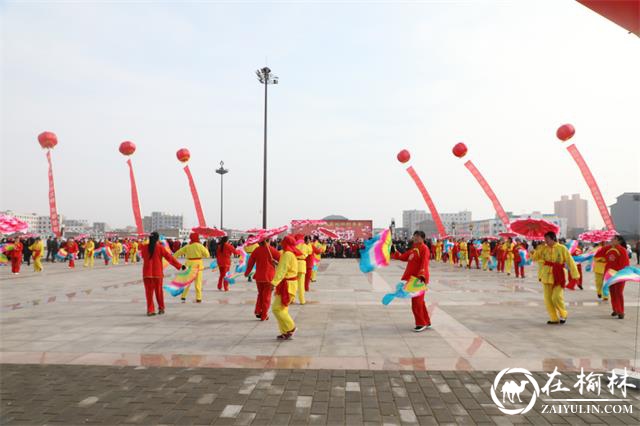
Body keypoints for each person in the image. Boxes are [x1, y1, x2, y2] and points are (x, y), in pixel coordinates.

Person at [531, 231, 579, 325]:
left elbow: (570, 261)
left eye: (547, 239)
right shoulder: (543, 248)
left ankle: (563, 314)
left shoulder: (562, 248)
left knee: (556, 297)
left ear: (553, 238)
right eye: (545, 239)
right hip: (546, 275)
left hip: (558, 274)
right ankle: (554, 318)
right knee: (548, 299)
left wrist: (575, 274)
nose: (545, 241)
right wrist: (537, 249)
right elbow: (534, 258)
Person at [391, 230, 431, 332]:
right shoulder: (414, 249)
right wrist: (393, 251)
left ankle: (421, 323)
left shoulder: (424, 248)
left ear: (422, 238)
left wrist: (421, 275)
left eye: (417, 236)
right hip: (412, 278)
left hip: (419, 279)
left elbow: (424, 263)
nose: (415, 238)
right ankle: (426, 321)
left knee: (416, 302)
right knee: (420, 302)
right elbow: (403, 257)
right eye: (414, 236)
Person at [140, 232, 184, 316]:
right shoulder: (160, 248)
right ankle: (161, 308)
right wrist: (180, 266)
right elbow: (169, 258)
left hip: (147, 274)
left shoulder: (144, 248)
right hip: (157, 273)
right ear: (157, 239)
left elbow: (143, 256)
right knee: (159, 292)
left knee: (149, 293)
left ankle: (150, 310)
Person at [270, 236, 299, 339]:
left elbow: (282, 271)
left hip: (287, 285)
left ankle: (291, 327)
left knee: (276, 308)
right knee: (283, 309)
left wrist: (273, 283)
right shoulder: (290, 254)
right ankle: (285, 331)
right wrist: (277, 264)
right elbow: (286, 268)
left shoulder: (287, 254)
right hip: (289, 284)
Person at [246, 237, 281, 321]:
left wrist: (247, 272)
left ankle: (258, 310)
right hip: (269, 277)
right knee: (267, 297)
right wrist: (275, 262)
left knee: (260, 294)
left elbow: (250, 262)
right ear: (268, 241)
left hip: (259, 277)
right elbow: (282, 260)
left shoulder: (256, 250)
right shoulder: (272, 250)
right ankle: (264, 314)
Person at [173, 233, 210, 303]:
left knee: (187, 282)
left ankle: (183, 296)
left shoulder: (188, 246)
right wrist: (206, 248)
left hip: (189, 265)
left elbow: (178, 252)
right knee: (198, 283)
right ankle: (198, 298)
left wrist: (172, 258)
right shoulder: (200, 246)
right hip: (198, 265)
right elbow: (207, 255)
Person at [604, 235, 630, 319]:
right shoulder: (610, 249)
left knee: (618, 293)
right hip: (610, 274)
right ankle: (615, 309)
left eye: (614, 239)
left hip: (619, 275)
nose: (612, 240)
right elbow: (607, 262)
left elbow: (625, 264)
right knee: (612, 292)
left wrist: (619, 274)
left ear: (619, 241)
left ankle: (621, 311)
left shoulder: (622, 250)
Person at [294, 234, 312, 305]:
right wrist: (309, 244)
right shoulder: (307, 246)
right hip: (302, 264)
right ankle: (302, 300)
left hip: (295, 264)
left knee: (294, 283)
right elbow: (310, 251)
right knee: (301, 285)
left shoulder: (297, 245)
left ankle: (291, 299)